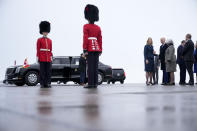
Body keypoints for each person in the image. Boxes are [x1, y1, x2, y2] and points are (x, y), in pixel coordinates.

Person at [83, 4, 102, 88]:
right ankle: (95, 83)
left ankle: (90, 83)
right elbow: (100, 39)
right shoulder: (98, 27)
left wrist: (85, 49)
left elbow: (85, 38)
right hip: (97, 48)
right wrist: (100, 49)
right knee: (95, 66)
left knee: (90, 67)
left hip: (90, 48)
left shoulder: (86, 26)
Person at [37, 21, 53, 88]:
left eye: (46, 32)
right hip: (42, 57)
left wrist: (51, 56)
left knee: (48, 71)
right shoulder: (39, 40)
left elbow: (50, 50)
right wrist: (38, 57)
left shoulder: (50, 40)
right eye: (44, 32)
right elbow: (38, 49)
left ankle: (48, 83)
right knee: (42, 71)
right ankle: (42, 83)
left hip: (48, 58)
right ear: (42, 32)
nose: (45, 33)